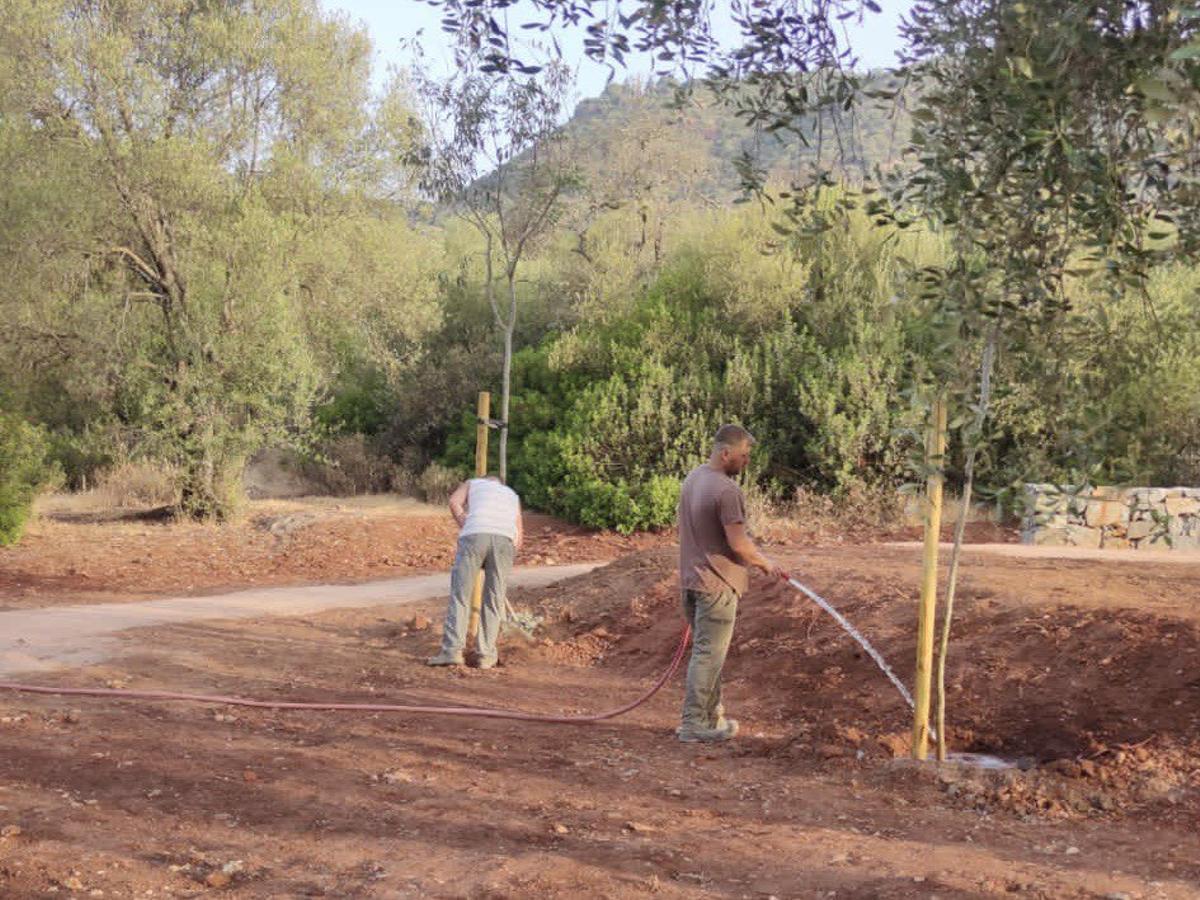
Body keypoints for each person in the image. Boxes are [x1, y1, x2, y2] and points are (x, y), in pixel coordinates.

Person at [676, 424, 788, 742]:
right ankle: (694, 723)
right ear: (726, 454)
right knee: (708, 655)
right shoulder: (727, 491)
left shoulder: (694, 477)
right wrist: (766, 564)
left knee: (707, 653)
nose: (747, 461)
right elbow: (739, 544)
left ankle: (710, 719)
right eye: (744, 455)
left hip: (691, 582)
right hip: (717, 586)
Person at [427, 475, 523, 669]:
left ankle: (452, 652)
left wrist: (465, 521)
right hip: (505, 540)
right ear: (501, 484)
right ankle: (486, 655)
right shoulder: (512, 494)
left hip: (475, 535)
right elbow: (519, 536)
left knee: (461, 596)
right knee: (494, 600)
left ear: (485, 480)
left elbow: (454, 502)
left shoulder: (473, 483)